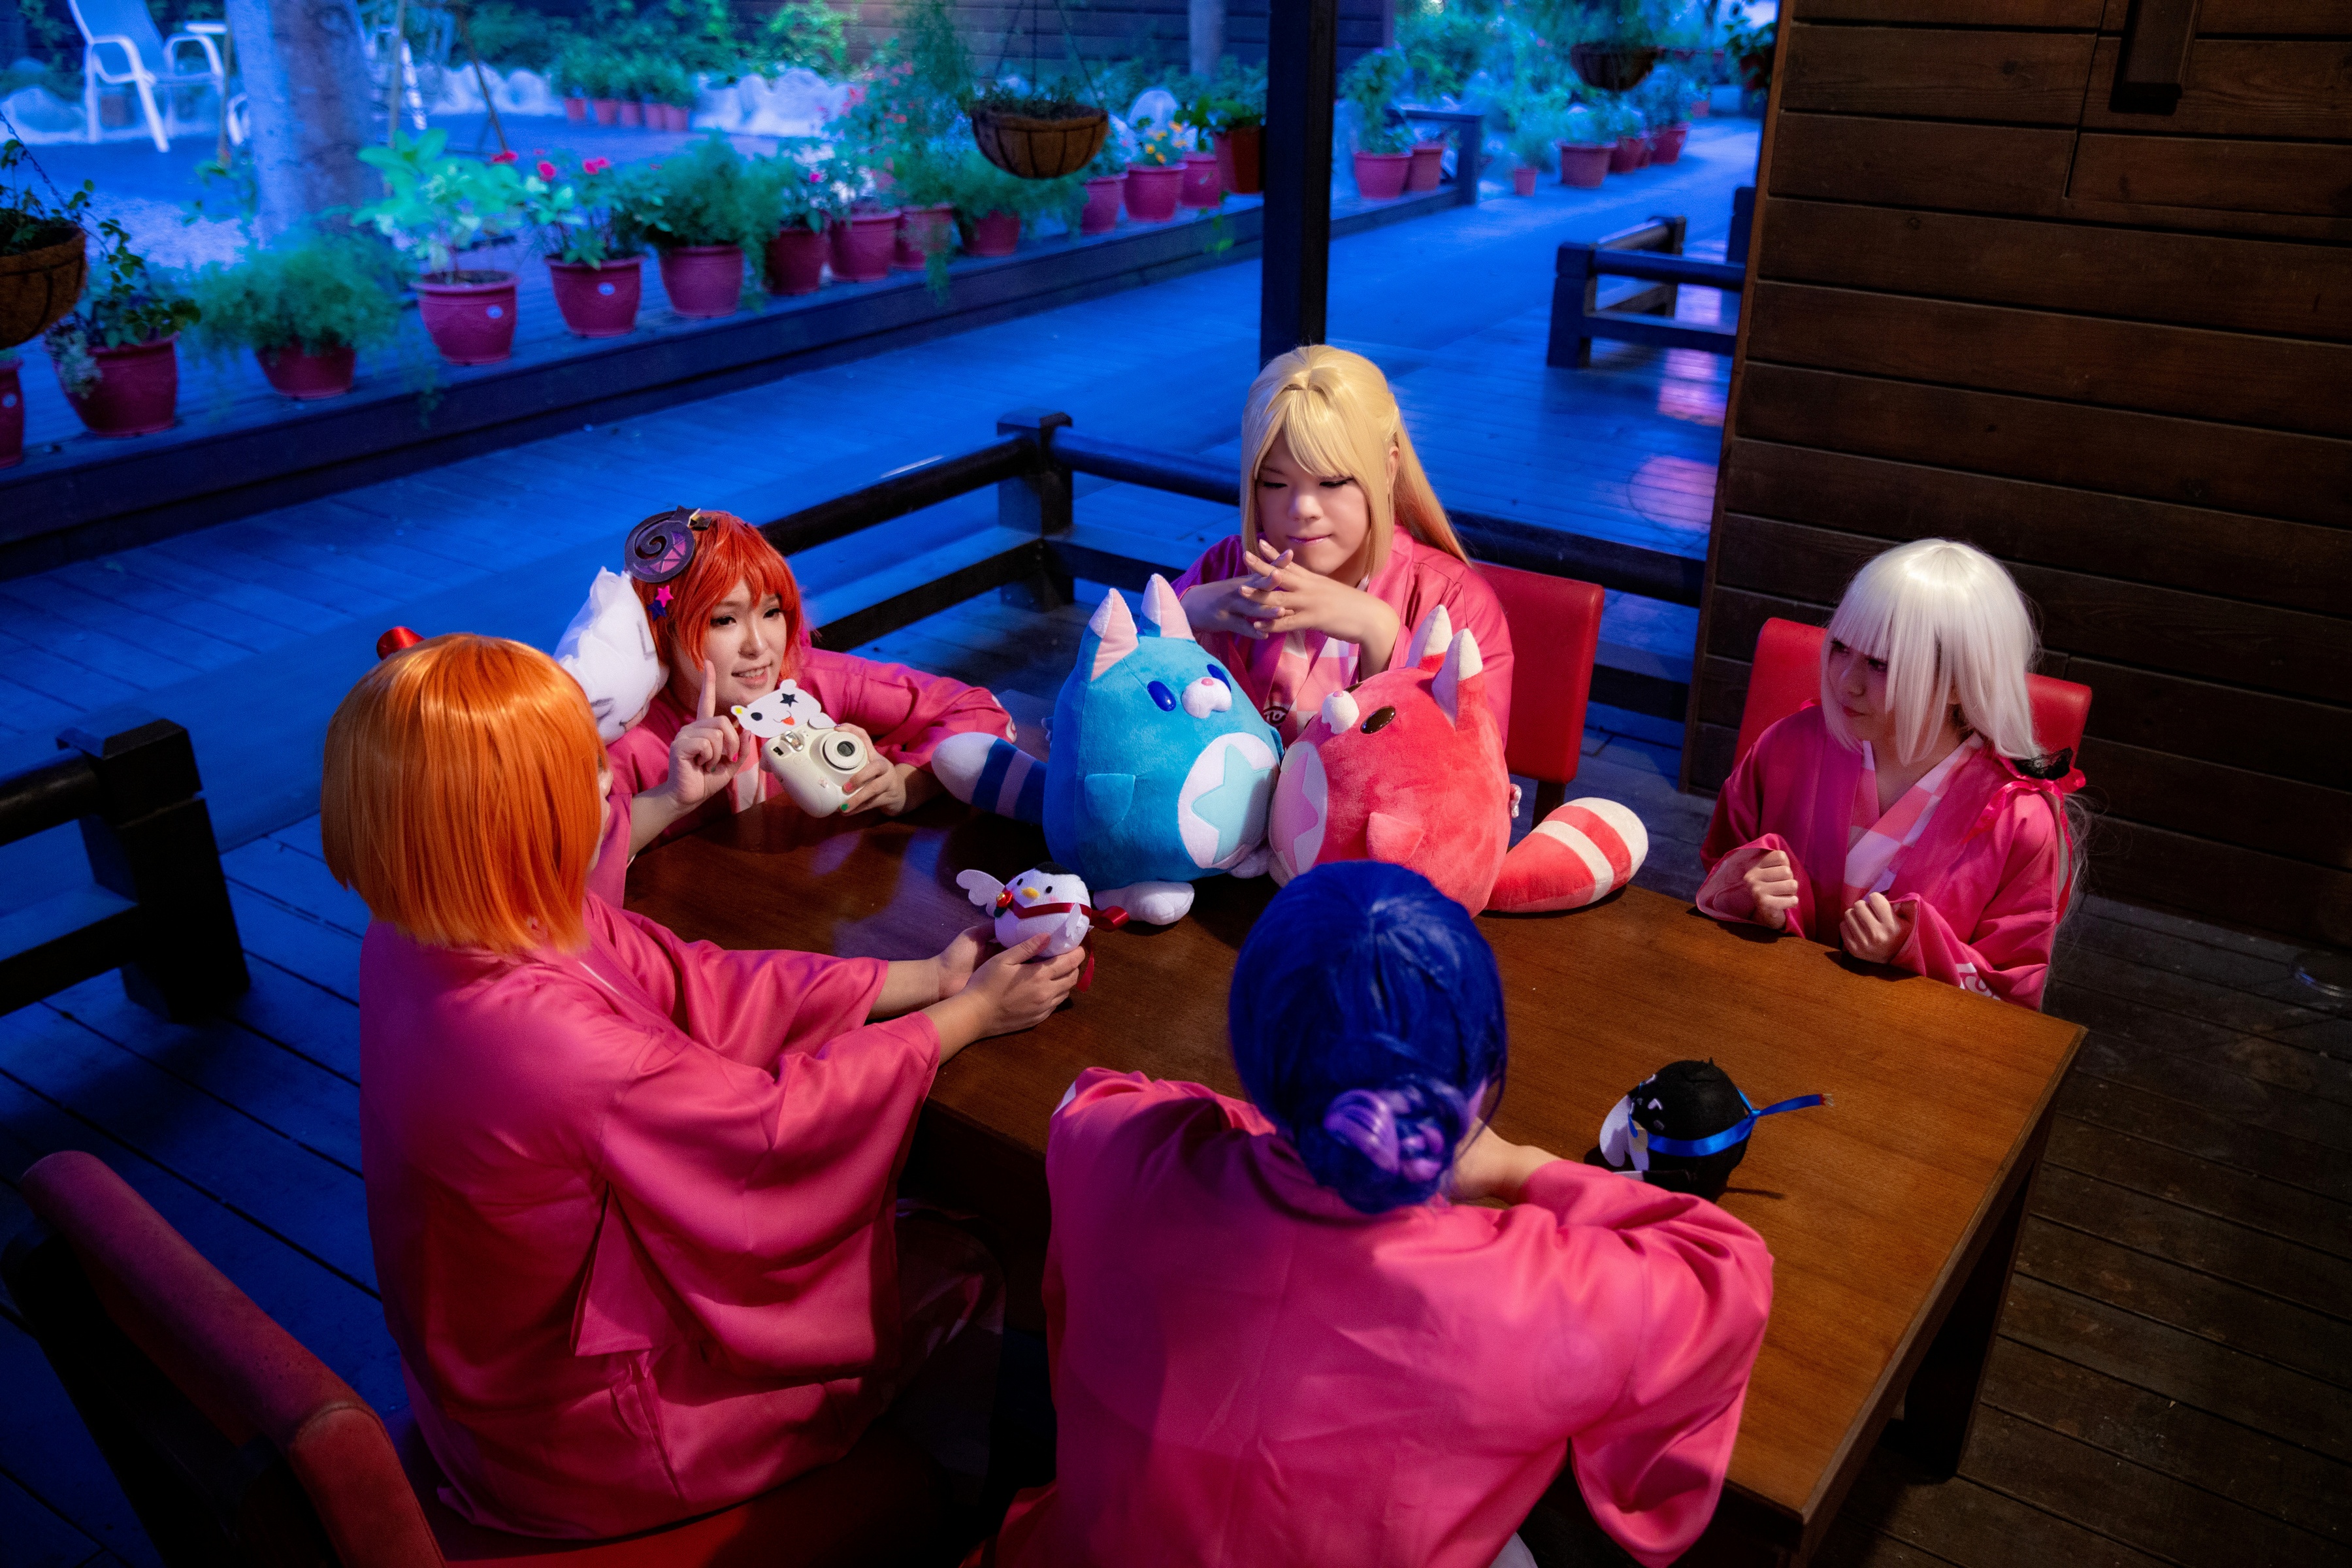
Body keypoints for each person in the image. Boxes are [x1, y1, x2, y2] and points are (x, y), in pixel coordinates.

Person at [324, 633, 1085, 1538]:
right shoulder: (545, 1041)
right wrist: (969, 1018)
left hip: (486, 1383)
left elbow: (689, 979)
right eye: (584, 775)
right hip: (589, 1436)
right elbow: (770, 1130)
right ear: (511, 825)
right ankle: (929, 1522)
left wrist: (922, 981)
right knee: (961, 1259)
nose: (610, 788)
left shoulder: (422, 932)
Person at [984, 861, 1772, 1568]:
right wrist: (1518, 1165)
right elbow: (1726, 1268)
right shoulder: (1529, 1295)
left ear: (1249, 1053)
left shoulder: (1126, 1156)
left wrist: (1304, 1127)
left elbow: (1096, 1096)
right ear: (1476, 1081)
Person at [1697, 538, 2085, 1010]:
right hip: (1760, 1003)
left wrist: (1909, 949)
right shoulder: (1787, 746)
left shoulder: (2019, 821)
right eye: (1840, 647)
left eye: (1880, 664)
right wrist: (1750, 894)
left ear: (1962, 685)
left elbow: (2011, 992)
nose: (1847, 681)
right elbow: (1720, 863)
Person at [600, 509, 1013, 896]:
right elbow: (569, 877)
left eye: (772, 612)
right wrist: (670, 799)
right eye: (724, 620)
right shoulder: (627, 744)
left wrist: (905, 785)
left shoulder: (805, 682)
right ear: (664, 631)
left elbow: (976, 709)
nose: (759, 645)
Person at [1173, 346, 1515, 746]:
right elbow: (1128, 693)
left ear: (1387, 469)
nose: (1302, 509)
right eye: (1274, 483)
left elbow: (1473, 758)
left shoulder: (1452, 600)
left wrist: (1381, 632)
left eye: (1332, 482)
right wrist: (1183, 615)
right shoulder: (1223, 568)